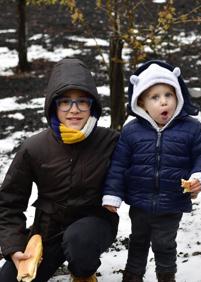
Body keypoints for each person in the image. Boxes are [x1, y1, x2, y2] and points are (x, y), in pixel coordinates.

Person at [0, 58, 119, 282]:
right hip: (48, 229)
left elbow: (140, 170)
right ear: (54, 105)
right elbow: (9, 202)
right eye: (65, 102)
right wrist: (14, 246)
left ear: (92, 104)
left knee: (79, 242)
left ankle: (84, 272)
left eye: (82, 101)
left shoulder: (110, 141)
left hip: (94, 223)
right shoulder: (34, 147)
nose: (74, 110)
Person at [102, 60, 201, 282]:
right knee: (138, 240)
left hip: (171, 201)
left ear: (178, 97)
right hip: (139, 201)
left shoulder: (191, 128)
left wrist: (199, 178)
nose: (163, 101)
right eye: (155, 97)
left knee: (164, 242)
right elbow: (118, 165)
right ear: (142, 103)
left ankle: (166, 276)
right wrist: (113, 194)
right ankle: (133, 276)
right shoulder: (131, 132)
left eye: (169, 94)